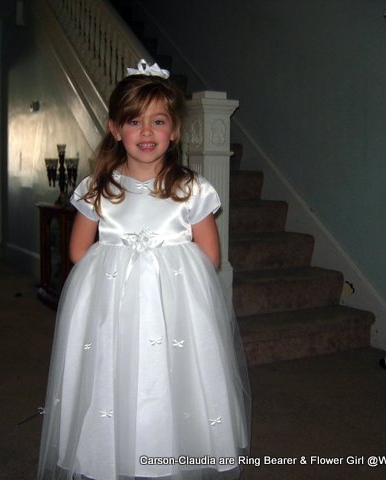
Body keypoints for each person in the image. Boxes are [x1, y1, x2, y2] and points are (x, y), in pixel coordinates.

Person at [38, 60, 251, 480]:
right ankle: (110, 454)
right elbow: (80, 250)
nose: (147, 132)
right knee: (112, 380)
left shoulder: (190, 188)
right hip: (115, 310)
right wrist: (123, 268)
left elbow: (209, 255)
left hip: (173, 313)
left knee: (171, 382)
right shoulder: (98, 188)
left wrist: (164, 271)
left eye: (158, 121)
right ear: (116, 129)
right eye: (135, 121)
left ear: (173, 132)